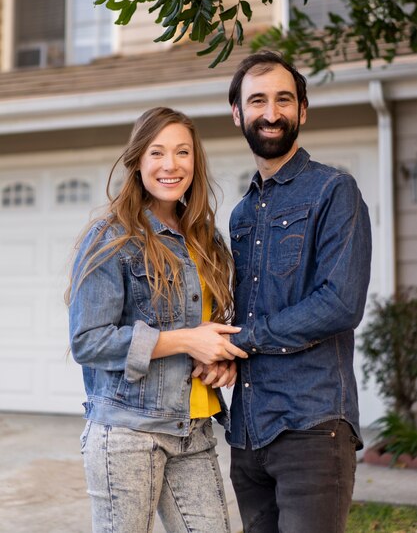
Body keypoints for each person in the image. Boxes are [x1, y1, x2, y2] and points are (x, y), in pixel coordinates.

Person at [68, 106, 248, 533]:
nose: (171, 164)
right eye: (157, 152)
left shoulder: (204, 239)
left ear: (195, 162)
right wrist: (187, 340)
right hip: (128, 432)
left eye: (183, 152)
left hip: (195, 428)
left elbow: (208, 325)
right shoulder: (112, 237)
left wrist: (218, 358)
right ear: (137, 162)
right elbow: (89, 341)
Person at [226, 51, 372, 533]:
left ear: (302, 111)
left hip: (311, 426)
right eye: (258, 100)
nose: (271, 113)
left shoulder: (334, 190)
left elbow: (340, 302)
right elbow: (243, 308)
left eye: (284, 100)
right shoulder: (242, 214)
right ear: (238, 114)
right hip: (248, 433)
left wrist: (242, 339)